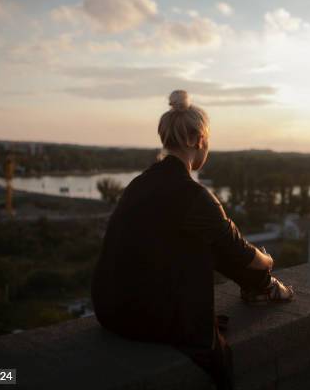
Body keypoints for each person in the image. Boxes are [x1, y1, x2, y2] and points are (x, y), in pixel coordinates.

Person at [91, 90, 295, 390]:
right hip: (146, 319)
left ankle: (261, 287)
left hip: (109, 310)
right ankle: (265, 288)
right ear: (196, 140)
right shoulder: (195, 196)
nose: (207, 148)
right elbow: (242, 254)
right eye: (207, 141)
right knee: (214, 241)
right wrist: (268, 261)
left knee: (199, 234)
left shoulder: (139, 184)